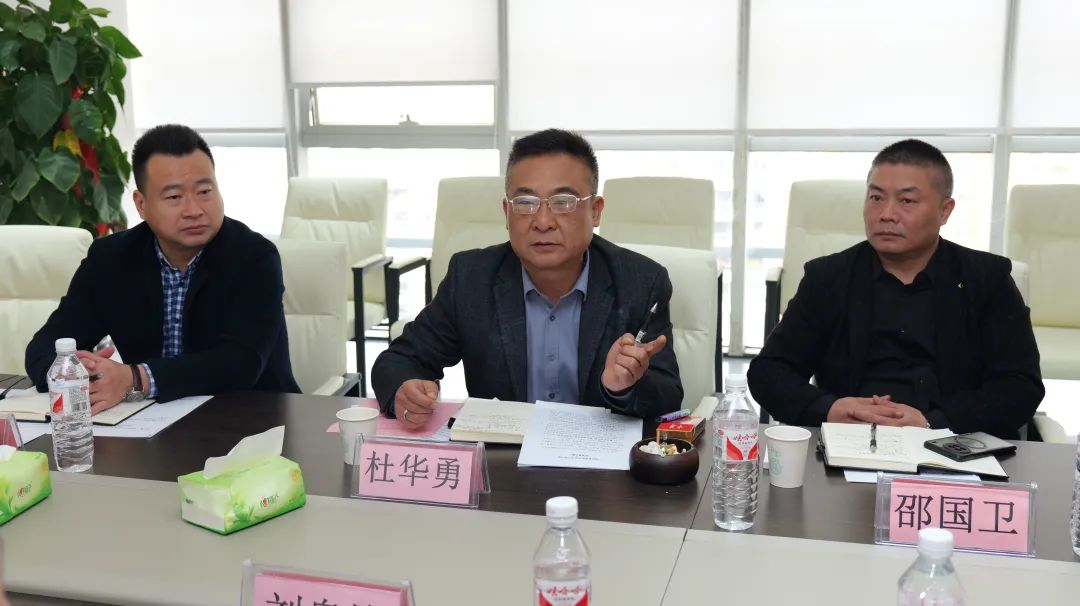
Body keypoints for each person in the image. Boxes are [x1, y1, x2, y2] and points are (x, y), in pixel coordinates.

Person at [372, 129, 683, 426]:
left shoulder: (640, 282)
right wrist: (405, 389)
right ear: (507, 212)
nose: (543, 222)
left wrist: (623, 387)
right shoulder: (471, 278)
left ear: (596, 211)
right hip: (505, 458)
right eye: (525, 203)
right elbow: (398, 361)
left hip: (599, 460)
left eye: (563, 202)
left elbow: (668, 395)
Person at [748, 139, 1043, 439]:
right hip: (850, 442)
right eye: (876, 198)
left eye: (906, 201)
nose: (886, 214)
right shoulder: (828, 278)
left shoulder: (987, 279)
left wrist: (932, 422)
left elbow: (1020, 387)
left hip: (954, 443)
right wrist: (830, 409)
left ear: (944, 211)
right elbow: (769, 372)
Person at [25, 124, 300, 411]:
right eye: (174, 197)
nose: (194, 210)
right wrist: (83, 373)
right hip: (148, 422)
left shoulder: (253, 257)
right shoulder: (110, 259)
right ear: (141, 204)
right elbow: (44, 349)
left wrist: (136, 378)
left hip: (251, 420)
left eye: (205, 191)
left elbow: (241, 363)